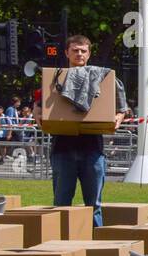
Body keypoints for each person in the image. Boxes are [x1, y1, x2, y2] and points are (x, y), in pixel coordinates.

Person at [46, 34, 126, 227]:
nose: (79, 54)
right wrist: (38, 112)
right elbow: (39, 107)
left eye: (83, 50)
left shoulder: (103, 77)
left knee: (94, 205)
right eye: (75, 50)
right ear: (67, 52)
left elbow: (122, 109)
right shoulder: (54, 78)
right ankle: (59, 248)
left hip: (93, 149)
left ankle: (95, 248)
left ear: (89, 54)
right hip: (62, 149)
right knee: (61, 205)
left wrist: (118, 118)